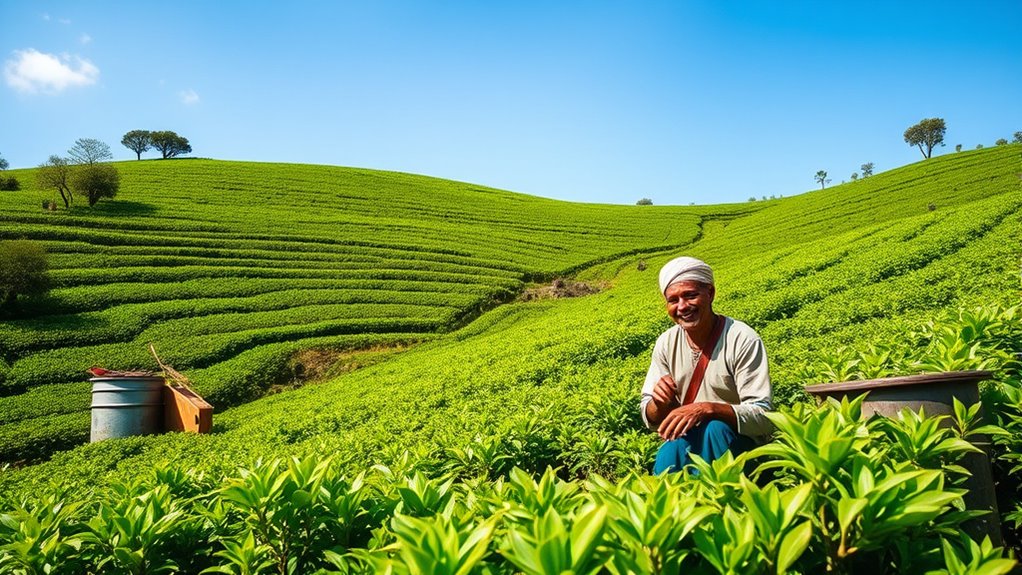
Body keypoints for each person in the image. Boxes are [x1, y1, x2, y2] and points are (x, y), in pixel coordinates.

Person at [640, 256, 772, 474]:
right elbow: (651, 417)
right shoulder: (666, 342)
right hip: (687, 442)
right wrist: (659, 403)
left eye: (690, 295)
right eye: (673, 300)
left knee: (714, 429)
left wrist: (708, 409)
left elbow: (763, 416)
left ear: (710, 293)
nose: (682, 306)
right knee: (670, 451)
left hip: (737, 445)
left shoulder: (742, 339)